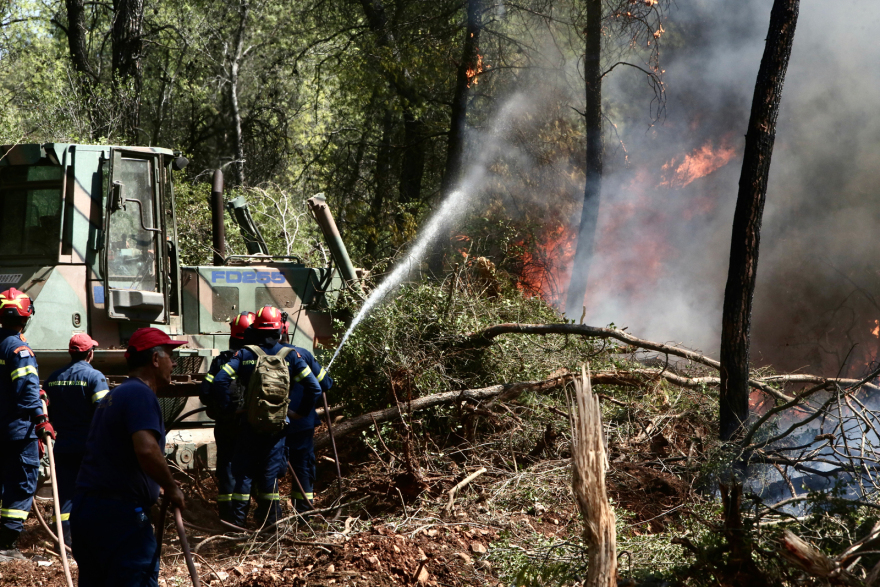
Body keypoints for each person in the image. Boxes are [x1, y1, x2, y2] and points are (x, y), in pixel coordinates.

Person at [70, 327, 186, 586]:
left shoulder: (116, 394)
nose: (174, 362)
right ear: (155, 360)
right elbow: (146, 449)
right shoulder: (140, 394)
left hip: (90, 511)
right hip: (119, 517)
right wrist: (170, 486)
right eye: (169, 355)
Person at [212, 306, 322, 528]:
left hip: (249, 427)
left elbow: (219, 381)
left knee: (244, 475)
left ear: (256, 330)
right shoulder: (292, 357)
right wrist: (298, 413)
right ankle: (271, 526)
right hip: (278, 430)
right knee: (270, 477)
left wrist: (229, 409)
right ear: (280, 330)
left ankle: (237, 526)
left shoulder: (245, 355)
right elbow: (316, 388)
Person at [0, 288, 53, 562]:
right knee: (21, 484)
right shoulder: (20, 349)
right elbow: (26, 387)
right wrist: (41, 418)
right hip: (17, 431)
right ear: (26, 316)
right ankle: (6, 545)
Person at [44, 333, 109, 547]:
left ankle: (63, 541)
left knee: (64, 495)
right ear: (90, 353)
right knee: (94, 492)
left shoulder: (53, 378)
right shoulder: (95, 377)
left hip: (62, 447)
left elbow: (47, 413)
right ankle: (91, 539)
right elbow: (105, 414)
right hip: (89, 448)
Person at [198, 311, 254, 523]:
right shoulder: (255, 360)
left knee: (226, 467)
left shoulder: (220, 361)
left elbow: (205, 391)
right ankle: (245, 518)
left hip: (225, 424)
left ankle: (227, 518)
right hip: (250, 424)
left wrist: (220, 409)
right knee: (249, 468)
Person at [285, 344, 333, 513]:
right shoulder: (301, 354)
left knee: (269, 469)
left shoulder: (254, 355)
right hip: (301, 424)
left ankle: (269, 518)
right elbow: (325, 383)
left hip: (269, 425)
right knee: (303, 468)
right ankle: (305, 515)